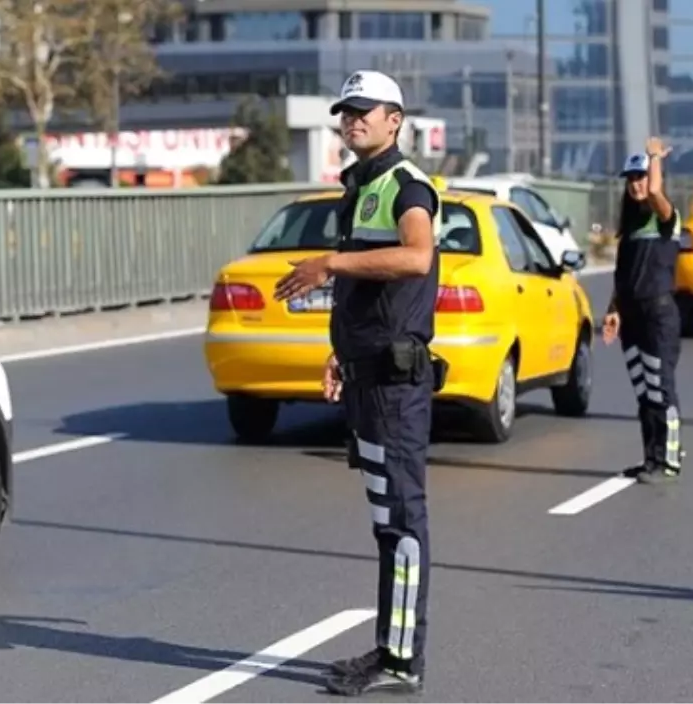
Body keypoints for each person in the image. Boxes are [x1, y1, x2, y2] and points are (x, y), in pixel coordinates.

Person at [273, 69, 444, 698]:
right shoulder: (360, 186)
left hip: (397, 386)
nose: (352, 120)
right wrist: (338, 353)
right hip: (366, 375)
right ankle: (389, 649)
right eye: (346, 112)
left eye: (364, 111)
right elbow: (360, 293)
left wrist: (329, 261)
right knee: (386, 523)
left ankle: (403, 660)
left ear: (394, 119)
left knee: (403, 522)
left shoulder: (406, 184)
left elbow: (416, 256)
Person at [601, 137, 684, 485]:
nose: (637, 185)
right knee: (642, 390)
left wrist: (654, 160)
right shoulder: (631, 229)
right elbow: (623, 277)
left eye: (641, 177)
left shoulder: (665, 219)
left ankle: (669, 460)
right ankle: (650, 458)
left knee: (660, 387)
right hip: (633, 316)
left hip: (658, 315)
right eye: (631, 179)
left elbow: (655, 196)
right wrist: (613, 311)